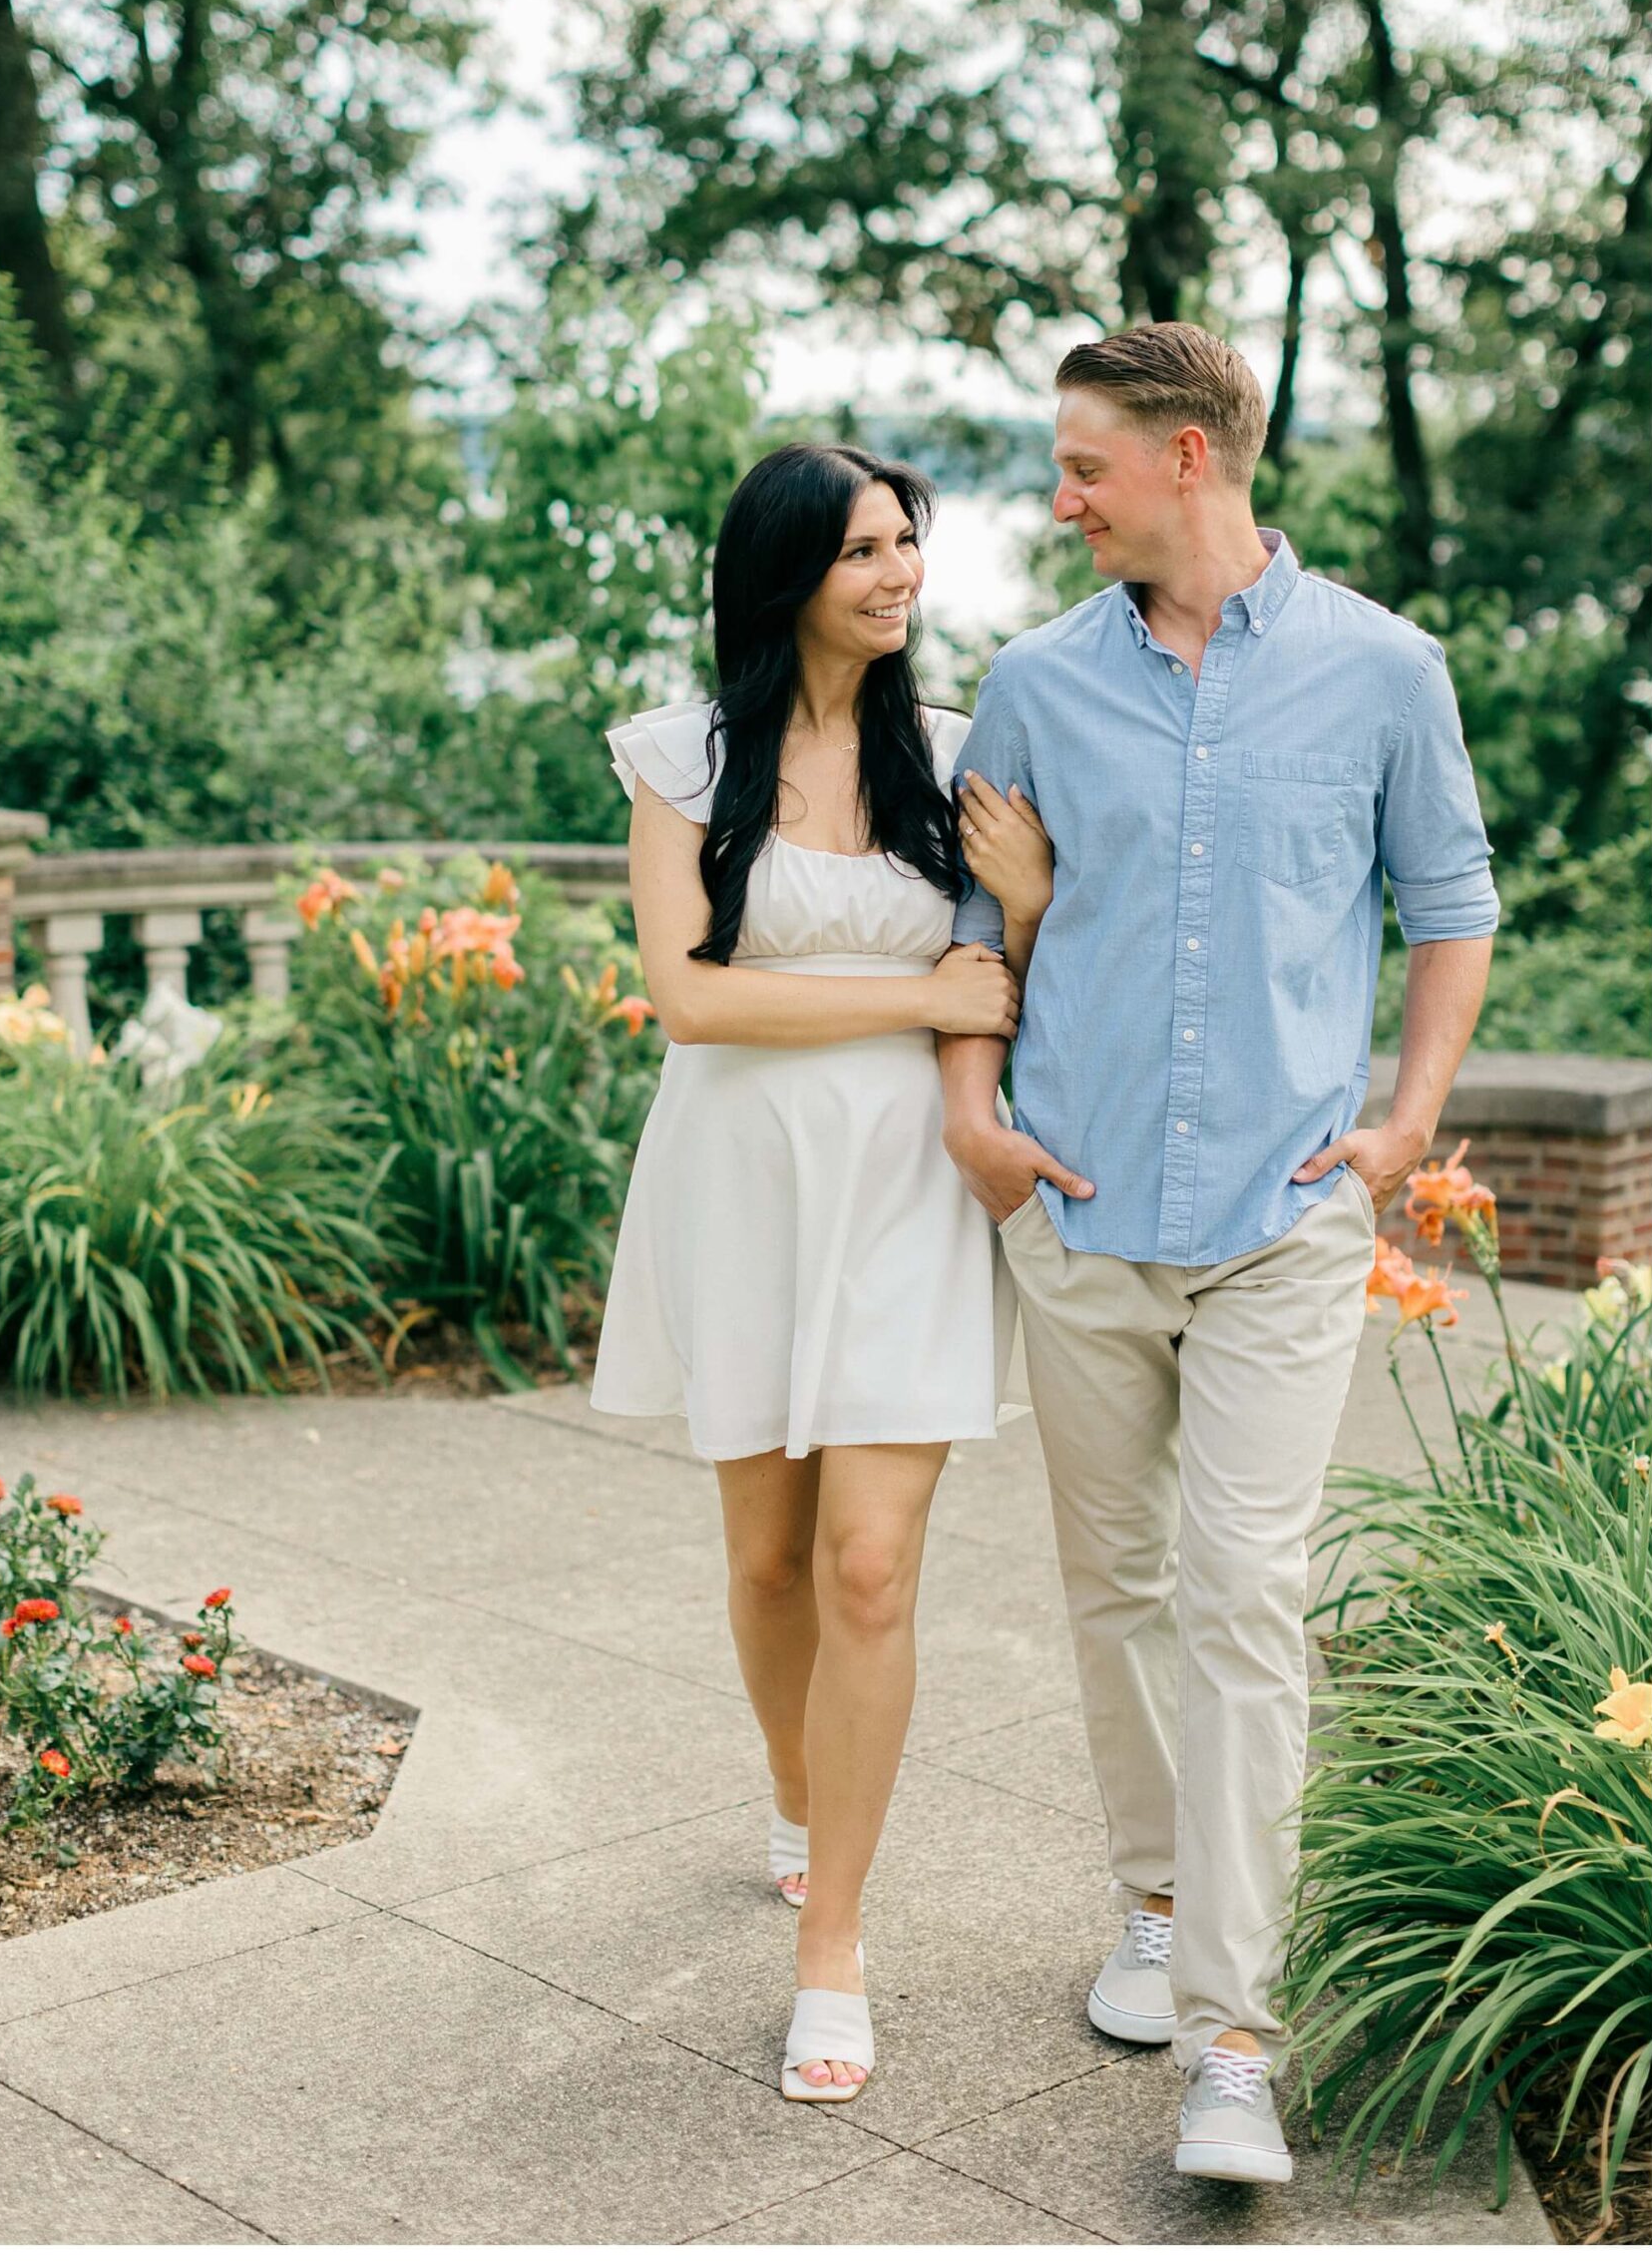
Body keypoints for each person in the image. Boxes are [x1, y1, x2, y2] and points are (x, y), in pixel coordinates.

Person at [938, 322, 1498, 2186]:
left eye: (1083, 462)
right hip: (1081, 1216)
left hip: (1279, 1222)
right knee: (1116, 1587)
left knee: (1244, 1592)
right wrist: (977, 1109)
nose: (1058, 493)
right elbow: (973, 927)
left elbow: (1451, 902)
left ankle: (1233, 2040)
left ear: (1190, 456)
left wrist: (1406, 1117)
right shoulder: (1030, 684)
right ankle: (1159, 1902)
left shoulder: (1380, 671)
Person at [591, 441, 1073, 2105]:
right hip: (736, 1179)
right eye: (862, 548)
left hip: (902, 1190)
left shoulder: (955, 759)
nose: (895, 575)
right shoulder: (681, 760)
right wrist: (918, 998)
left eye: (907, 545)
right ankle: (796, 1799)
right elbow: (693, 997)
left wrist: (1017, 916)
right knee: (773, 1560)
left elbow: (1003, 977)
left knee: (870, 1566)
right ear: (785, 569)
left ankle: (834, 1949)